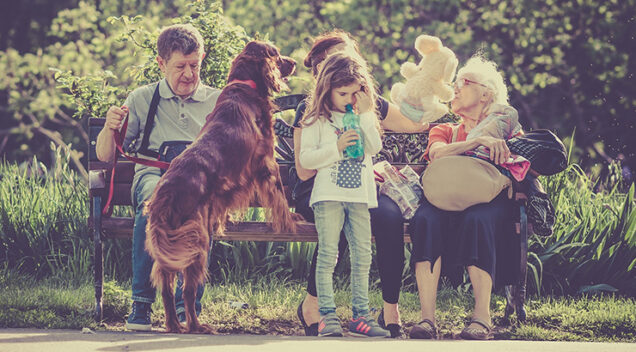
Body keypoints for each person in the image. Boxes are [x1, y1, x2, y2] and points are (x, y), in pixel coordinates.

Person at [294, 30, 430, 338]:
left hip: (359, 187)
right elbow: (305, 170)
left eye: (352, 58)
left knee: (388, 217)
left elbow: (412, 125)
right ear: (322, 70)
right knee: (336, 232)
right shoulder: (312, 109)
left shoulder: (366, 103)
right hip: (321, 187)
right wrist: (338, 148)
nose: (347, 64)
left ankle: (384, 309)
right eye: (338, 59)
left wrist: (430, 98)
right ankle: (316, 306)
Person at [95, 24, 221, 331]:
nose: (189, 74)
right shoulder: (141, 98)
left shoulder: (216, 100)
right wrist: (110, 127)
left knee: (200, 210)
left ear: (202, 58)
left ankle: (186, 305)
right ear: (161, 64)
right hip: (155, 173)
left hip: (196, 181)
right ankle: (141, 304)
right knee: (154, 203)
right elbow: (104, 156)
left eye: (195, 65)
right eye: (180, 67)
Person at [408, 55, 521, 340]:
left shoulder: (506, 126)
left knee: (478, 219)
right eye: (455, 83)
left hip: (488, 201)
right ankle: (427, 319)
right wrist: (476, 142)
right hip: (444, 197)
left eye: (464, 83)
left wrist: (503, 147)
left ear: (486, 92)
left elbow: (525, 164)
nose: (455, 89)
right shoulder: (445, 129)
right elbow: (435, 154)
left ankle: (481, 318)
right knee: (424, 219)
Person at [298, 52, 388, 338]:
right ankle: (327, 315)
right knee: (328, 255)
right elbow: (307, 160)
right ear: (328, 89)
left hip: (361, 196)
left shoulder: (363, 116)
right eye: (342, 93)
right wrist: (336, 148)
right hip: (328, 196)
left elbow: (374, 147)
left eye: (355, 92)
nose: (349, 98)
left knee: (363, 255)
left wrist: (364, 115)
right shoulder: (316, 119)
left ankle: (361, 315)